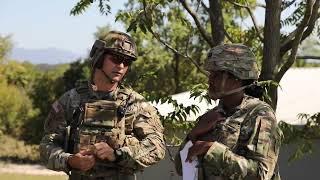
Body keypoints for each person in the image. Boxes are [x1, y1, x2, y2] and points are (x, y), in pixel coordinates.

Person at [40, 31, 166, 180]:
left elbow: (157, 146)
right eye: (116, 58)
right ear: (99, 58)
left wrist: (118, 154)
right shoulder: (71, 100)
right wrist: (70, 160)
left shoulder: (135, 104)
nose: (120, 66)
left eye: (126, 62)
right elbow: (47, 145)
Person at [174, 44, 283, 180]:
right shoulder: (210, 116)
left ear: (237, 77)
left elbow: (262, 173)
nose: (210, 80)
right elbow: (180, 168)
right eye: (211, 74)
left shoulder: (260, 114)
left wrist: (211, 150)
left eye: (217, 75)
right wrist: (194, 133)